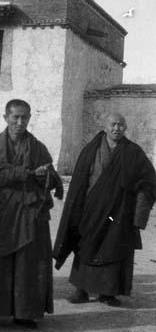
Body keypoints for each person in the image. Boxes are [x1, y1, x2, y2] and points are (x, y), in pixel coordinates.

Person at [0, 99, 63, 329]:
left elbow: (52, 178)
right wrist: (22, 173)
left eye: (24, 118)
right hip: (0, 213)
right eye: (15, 117)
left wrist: (43, 176)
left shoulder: (38, 147)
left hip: (30, 213)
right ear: (6, 117)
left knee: (28, 265)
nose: (20, 122)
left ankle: (25, 313)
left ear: (29, 119)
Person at [53, 113, 156, 306]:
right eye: (113, 124)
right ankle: (81, 290)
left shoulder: (133, 152)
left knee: (113, 248)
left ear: (125, 128)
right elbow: (79, 182)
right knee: (84, 246)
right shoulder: (90, 150)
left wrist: (140, 212)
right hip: (91, 209)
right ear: (105, 126)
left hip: (118, 213)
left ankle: (108, 293)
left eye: (121, 125)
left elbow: (149, 181)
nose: (117, 128)